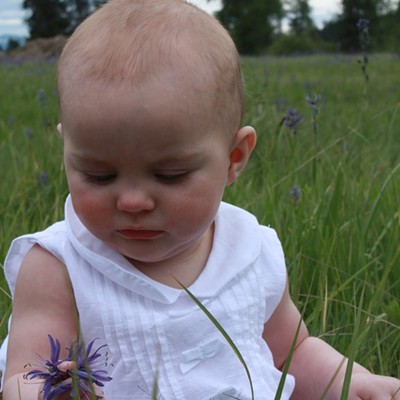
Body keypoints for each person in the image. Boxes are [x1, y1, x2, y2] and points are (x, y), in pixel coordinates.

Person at [1, 0, 399, 399]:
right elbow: (25, 375)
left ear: (234, 158)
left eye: (170, 175)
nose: (133, 201)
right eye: (99, 175)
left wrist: (353, 381)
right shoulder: (57, 268)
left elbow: (291, 352)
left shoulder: (251, 252)